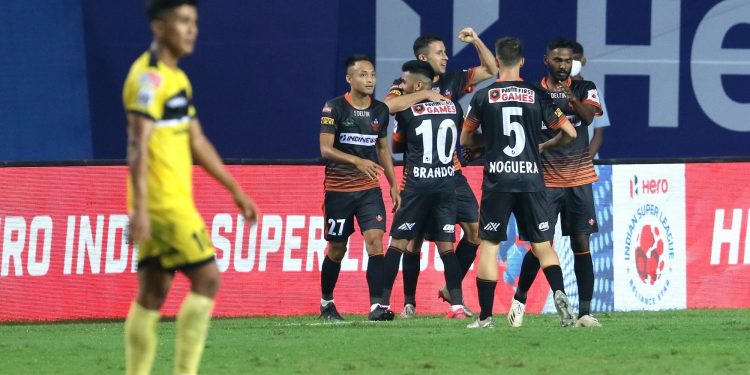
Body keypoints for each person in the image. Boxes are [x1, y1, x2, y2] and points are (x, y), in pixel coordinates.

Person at [123, 1, 259, 374]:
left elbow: (196, 141)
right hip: (164, 204)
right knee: (207, 278)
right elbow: (138, 146)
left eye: (194, 22)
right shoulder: (148, 79)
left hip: (166, 202)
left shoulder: (177, 78)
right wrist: (143, 210)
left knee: (153, 292)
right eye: (183, 21)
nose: (192, 29)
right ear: (159, 27)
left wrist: (235, 189)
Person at [460, 36, 578, 329]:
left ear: (497, 62)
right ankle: (561, 297)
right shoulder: (537, 94)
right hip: (531, 178)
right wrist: (544, 146)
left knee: (488, 245)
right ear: (522, 61)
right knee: (542, 245)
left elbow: (465, 139)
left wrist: (486, 144)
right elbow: (570, 133)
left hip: (498, 179)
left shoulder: (483, 96)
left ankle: (486, 318)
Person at [384, 28, 498, 318]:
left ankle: (452, 288)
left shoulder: (452, 81)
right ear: (423, 57)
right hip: (419, 174)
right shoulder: (405, 84)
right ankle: (409, 302)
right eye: (440, 53)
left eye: (446, 52)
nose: (446, 57)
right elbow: (387, 106)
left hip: (452, 174)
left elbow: (491, 69)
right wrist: (424, 94)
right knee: (414, 240)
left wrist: (475, 41)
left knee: (475, 232)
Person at [507, 37, 604, 329]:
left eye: (568, 61)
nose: (563, 66)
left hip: (579, 179)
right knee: (541, 246)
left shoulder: (585, 89)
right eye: (557, 60)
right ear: (547, 60)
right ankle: (519, 302)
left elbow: (588, 119)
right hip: (545, 181)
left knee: (581, 244)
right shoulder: (534, 93)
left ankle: (584, 312)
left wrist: (571, 97)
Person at [318, 54, 401, 321]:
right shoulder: (334, 108)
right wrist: (356, 160)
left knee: (375, 242)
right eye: (363, 74)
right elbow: (325, 150)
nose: (369, 80)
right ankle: (326, 303)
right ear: (349, 78)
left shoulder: (380, 110)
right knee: (337, 249)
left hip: (369, 189)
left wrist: (393, 184)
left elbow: (382, 149)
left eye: (373, 75)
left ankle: (377, 307)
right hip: (339, 190)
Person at [382, 60, 467, 319]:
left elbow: (397, 145)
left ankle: (382, 304)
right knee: (447, 247)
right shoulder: (454, 107)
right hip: (445, 183)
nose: (400, 86)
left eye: (404, 83)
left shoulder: (406, 112)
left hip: (417, 185)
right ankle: (458, 307)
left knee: (399, 243)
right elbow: (460, 137)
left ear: (417, 85)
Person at [569, 41, 610, 159]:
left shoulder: (593, 91)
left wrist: (584, 165)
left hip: (587, 168)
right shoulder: (553, 91)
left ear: (582, 60)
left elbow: (598, 135)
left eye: (576, 59)